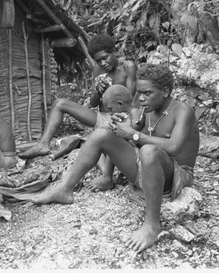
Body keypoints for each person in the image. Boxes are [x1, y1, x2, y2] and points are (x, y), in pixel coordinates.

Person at [30, 64, 199, 252]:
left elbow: (174, 147)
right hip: (148, 169)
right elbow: (130, 134)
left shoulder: (182, 111)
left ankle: (152, 225)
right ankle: (64, 189)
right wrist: (120, 126)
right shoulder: (146, 110)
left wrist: (133, 135)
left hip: (177, 177)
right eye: (140, 92)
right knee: (102, 134)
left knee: (149, 150)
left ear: (165, 91)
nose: (141, 98)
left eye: (147, 93)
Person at [19, 34, 137, 191]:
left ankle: (107, 176)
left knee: (104, 136)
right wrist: (97, 90)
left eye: (105, 58)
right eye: (98, 60)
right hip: (100, 116)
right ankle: (43, 144)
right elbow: (95, 103)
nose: (103, 63)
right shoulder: (98, 70)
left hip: (120, 117)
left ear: (114, 51)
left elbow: (131, 101)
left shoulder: (127, 67)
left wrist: (114, 96)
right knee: (60, 103)